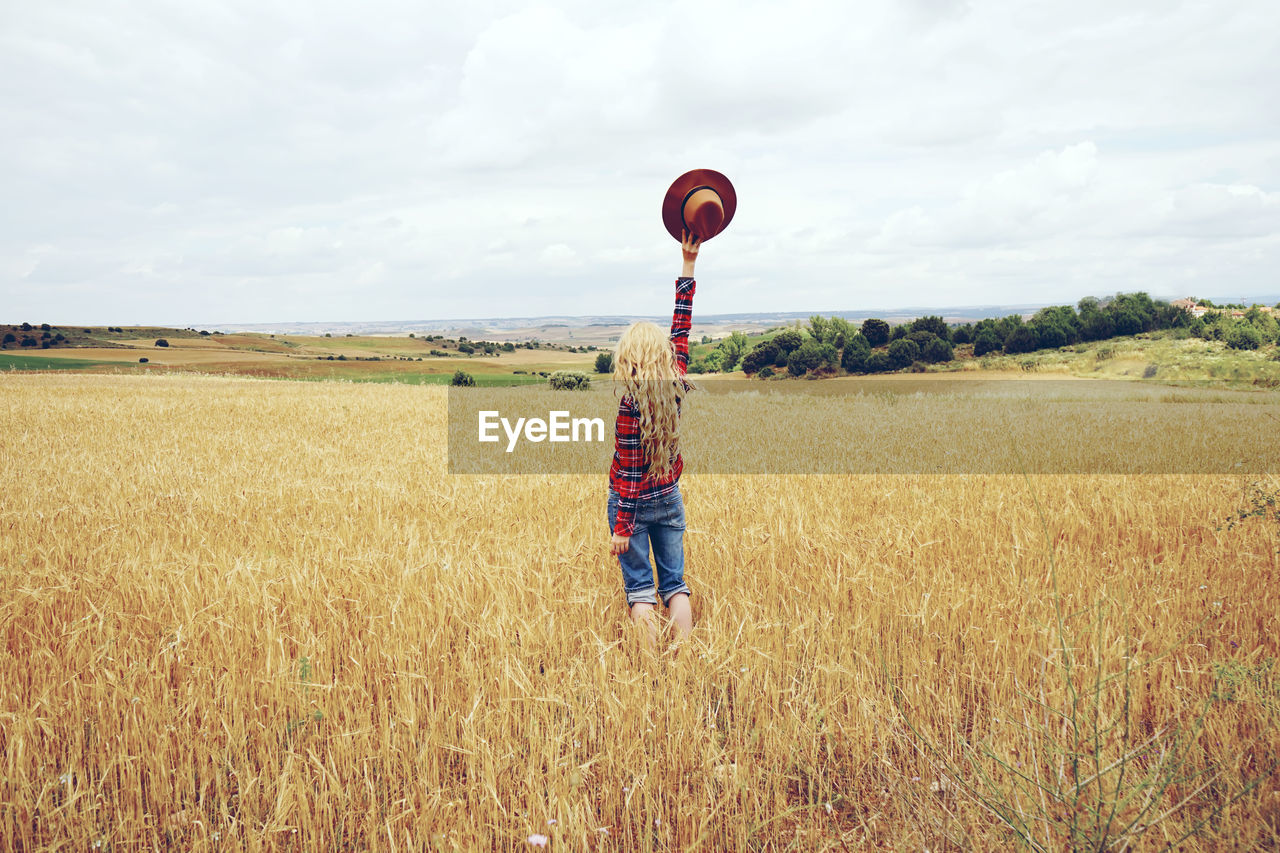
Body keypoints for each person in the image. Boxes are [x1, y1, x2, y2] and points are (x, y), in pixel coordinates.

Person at [607, 229, 701, 650]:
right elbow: (682, 324)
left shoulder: (630, 405)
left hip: (636, 503)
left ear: (628, 359)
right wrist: (688, 262)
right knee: (675, 584)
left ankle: (648, 674)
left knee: (641, 592)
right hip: (669, 498)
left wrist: (622, 527)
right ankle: (684, 661)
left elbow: (628, 474)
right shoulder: (676, 383)